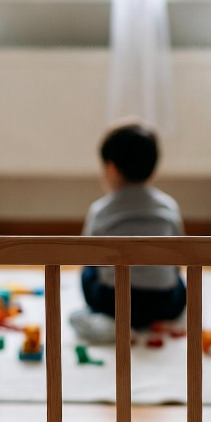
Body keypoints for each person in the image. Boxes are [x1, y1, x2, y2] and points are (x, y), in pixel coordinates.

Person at [76, 121, 186, 333]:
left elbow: (87, 255)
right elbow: (179, 256)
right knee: (179, 283)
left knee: (87, 273)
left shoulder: (100, 210)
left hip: (113, 303)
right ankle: (156, 322)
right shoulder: (168, 206)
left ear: (111, 168)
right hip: (163, 303)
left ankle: (112, 324)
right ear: (153, 170)